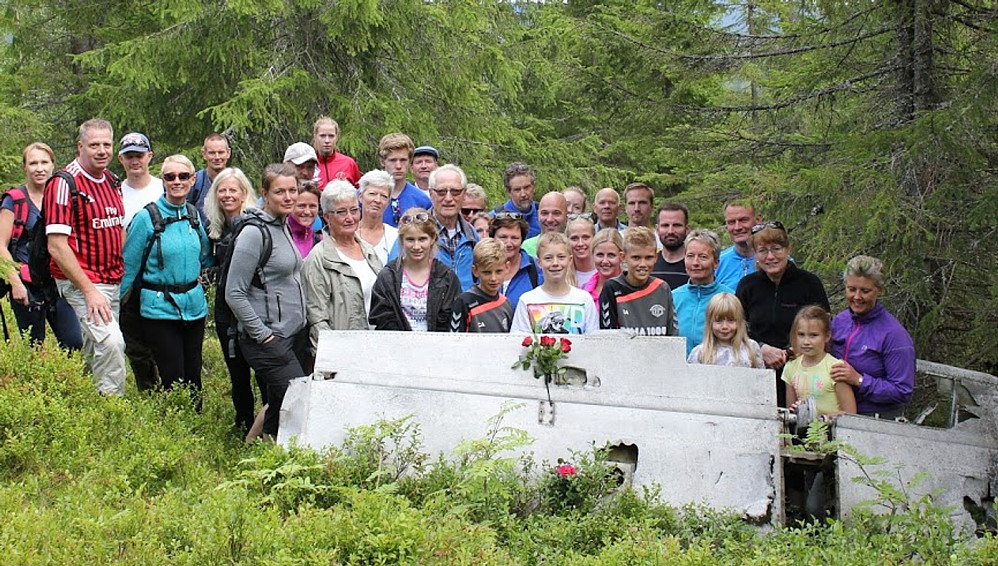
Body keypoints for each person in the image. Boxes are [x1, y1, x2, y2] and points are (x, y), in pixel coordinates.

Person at [225, 163, 309, 440]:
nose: (288, 197)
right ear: (264, 193)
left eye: (292, 191)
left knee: (278, 403)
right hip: (269, 337)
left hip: (292, 332)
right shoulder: (254, 233)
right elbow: (233, 292)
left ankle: (257, 454)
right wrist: (263, 335)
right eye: (279, 192)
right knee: (297, 400)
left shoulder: (283, 225)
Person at [45, 118, 127, 395]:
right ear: (80, 146)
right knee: (112, 343)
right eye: (94, 145)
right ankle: (113, 410)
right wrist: (89, 290)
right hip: (85, 282)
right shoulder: (64, 183)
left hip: (112, 280)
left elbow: (117, 228)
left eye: (106, 144)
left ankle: (83, 405)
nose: (101, 150)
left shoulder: (112, 180)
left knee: (96, 349)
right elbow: (56, 245)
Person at [120, 155, 212, 403]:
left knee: (193, 375)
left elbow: (206, 256)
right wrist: (116, 305)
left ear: (193, 180)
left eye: (183, 176)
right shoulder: (146, 218)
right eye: (170, 177)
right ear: (163, 181)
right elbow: (128, 265)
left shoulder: (193, 215)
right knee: (173, 375)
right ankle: (172, 429)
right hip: (158, 308)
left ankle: (196, 429)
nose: (177, 181)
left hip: (194, 307)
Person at [736, 221, 829, 407]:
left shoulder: (809, 284)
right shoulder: (747, 286)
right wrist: (761, 349)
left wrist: (791, 351)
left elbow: (825, 327)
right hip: (757, 374)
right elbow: (736, 329)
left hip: (802, 373)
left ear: (788, 249)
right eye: (762, 250)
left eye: (776, 249)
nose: (770, 256)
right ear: (755, 253)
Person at [0, 142, 81, 349]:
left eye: (44, 162)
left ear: (53, 165)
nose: (39, 168)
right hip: (27, 283)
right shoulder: (14, 201)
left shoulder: (63, 196)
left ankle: (67, 380)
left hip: (59, 282)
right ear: (25, 167)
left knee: (74, 342)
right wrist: (15, 284)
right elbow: (1, 245)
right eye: (33, 163)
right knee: (34, 345)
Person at [203, 167, 265, 436]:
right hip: (224, 310)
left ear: (244, 193)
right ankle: (242, 425)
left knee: (261, 370)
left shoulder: (255, 223)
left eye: (233, 190)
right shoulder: (213, 228)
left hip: (253, 306)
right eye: (222, 190)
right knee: (237, 371)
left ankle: (267, 424)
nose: (227, 195)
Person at [830, 255, 916, 418]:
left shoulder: (894, 335)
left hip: (875, 419)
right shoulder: (840, 321)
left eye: (865, 291)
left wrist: (859, 380)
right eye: (851, 289)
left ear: (879, 290)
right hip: (835, 412)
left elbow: (902, 391)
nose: (857, 297)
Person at [303, 180, 383, 343]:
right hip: (343, 350)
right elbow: (317, 319)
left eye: (354, 210)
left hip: (376, 345)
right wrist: (332, 357)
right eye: (341, 212)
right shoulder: (318, 258)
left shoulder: (368, 250)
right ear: (326, 216)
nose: (350, 218)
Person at [369, 208, 461, 331]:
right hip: (397, 346)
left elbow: (453, 319)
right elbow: (381, 318)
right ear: (401, 240)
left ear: (432, 238)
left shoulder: (446, 277)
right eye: (410, 240)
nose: (416, 246)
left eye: (422, 239)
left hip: (436, 346)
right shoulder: (388, 276)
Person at [512, 232, 599, 335]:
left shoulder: (584, 299)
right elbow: (519, 341)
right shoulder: (527, 300)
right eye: (548, 258)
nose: (555, 263)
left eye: (561, 257)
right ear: (539, 262)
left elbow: (593, 341)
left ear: (570, 260)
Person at [599, 227, 677, 335]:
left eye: (648, 257)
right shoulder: (612, 288)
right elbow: (607, 336)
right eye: (636, 258)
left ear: (656, 257)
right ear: (623, 257)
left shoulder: (662, 288)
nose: (642, 264)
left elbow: (673, 334)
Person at [784, 306, 856, 417]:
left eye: (813, 335)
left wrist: (819, 418)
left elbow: (850, 413)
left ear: (827, 336)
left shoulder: (836, 368)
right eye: (801, 335)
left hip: (833, 432)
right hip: (804, 433)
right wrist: (796, 411)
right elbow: (790, 413)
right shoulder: (790, 367)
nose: (806, 341)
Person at [672, 229, 732, 355]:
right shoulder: (673, 297)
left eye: (703, 257)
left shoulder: (730, 298)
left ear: (716, 263)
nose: (695, 263)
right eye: (690, 256)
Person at [449, 238, 513, 333]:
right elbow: (454, 339)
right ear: (475, 271)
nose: (493, 278)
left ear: (507, 267)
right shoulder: (464, 302)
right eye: (487, 272)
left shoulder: (506, 303)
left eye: (499, 271)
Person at [687, 293, 764, 368]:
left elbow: (761, 378)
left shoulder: (751, 348)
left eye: (731, 321)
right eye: (718, 321)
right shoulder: (700, 352)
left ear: (739, 322)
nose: (724, 326)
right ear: (710, 323)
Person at [489, 211, 542, 311]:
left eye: (514, 238)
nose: (509, 244)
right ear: (492, 238)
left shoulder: (535, 269)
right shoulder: (482, 266)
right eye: (503, 237)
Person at [379, 133, 432, 227]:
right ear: (383, 161)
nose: (398, 166)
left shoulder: (422, 200)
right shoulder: (366, 198)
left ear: (410, 161)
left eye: (403, 160)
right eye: (393, 160)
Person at [117, 132, 163, 228]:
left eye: (139, 156)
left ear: (149, 156)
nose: (134, 162)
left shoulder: (164, 188)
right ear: (121, 159)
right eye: (129, 157)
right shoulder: (115, 193)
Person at [715, 200, 762, 290]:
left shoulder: (777, 261)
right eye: (732, 222)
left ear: (758, 220)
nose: (737, 227)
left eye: (744, 220)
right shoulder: (717, 263)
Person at [355, 169, 399, 265]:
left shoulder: (396, 236)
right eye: (372, 194)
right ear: (360, 197)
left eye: (384, 196)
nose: (377, 200)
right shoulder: (349, 234)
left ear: (388, 202)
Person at [187, 133, 231, 217]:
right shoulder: (196, 182)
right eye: (212, 153)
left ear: (228, 153)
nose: (217, 157)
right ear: (204, 154)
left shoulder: (236, 181)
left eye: (221, 152)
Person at [313, 116, 361, 188]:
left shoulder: (349, 164)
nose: (327, 141)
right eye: (322, 136)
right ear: (315, 137)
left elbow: (359, 193)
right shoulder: (308, 165)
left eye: (331, 136)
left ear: (337, 137)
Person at [495, 163, 540, 238]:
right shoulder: (495, 217)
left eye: (526, 188)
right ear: (509, 192)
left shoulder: (545, 215)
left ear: (534, 187)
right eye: (517, 190)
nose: (523, 194)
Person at [652, 202, 690, 289]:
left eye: (677, 225)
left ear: (687, 229)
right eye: (665, 225)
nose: (670, 231)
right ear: (657, 229)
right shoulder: (649, 264)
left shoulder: (695, 266)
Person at [581, 228, 624, 304]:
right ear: (592, 255)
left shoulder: (631, 289)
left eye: (611, 255)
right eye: (600, 255)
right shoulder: (583, 292)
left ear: (621, 256)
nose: (605, 261)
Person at [522, 191, 568, 257]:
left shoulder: (575, 247)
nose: (550, 219)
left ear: (566, 216)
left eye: (556, 213)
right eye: (545, 213)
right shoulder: (526, 248)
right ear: (538, 215)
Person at [288, 181, 321, 258]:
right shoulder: (278, 237)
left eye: (312, 206)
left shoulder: (321, 240)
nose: (307, 211)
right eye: (301, 206)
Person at [567, 216, 596, 287]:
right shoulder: (562, 273)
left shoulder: (604, 270)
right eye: (574, 238)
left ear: (595, 238)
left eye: (585, 238)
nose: (580, 243)